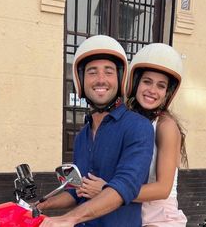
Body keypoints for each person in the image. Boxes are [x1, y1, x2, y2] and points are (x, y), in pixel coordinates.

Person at [38, 35, 154, 227]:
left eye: (108, 72)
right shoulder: (82, 136)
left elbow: (124, 187)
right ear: (81, 81)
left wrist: (68, 219)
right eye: (92, 72)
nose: (101, 79)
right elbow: (77, 191)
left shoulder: (138, 127)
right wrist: (41, 206)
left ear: (120, 79)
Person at [76, 43, 188, 227]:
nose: (152, 90)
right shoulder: (129, 120)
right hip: (129, 210)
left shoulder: (165, 126)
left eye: (160, 86)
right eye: (147, 82)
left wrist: (107, 190)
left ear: (167, 93)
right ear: (135, 83)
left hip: (158, 216)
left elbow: (163, 189)